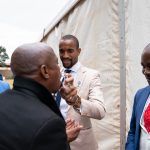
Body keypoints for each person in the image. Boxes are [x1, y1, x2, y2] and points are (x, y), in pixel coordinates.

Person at [0, 42, 80, 150]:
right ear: (45, 71)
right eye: (57, 64)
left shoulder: (3, 99)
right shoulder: (49, 125)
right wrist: (58, 139)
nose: (60, 71)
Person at [58, 34, 106, 150]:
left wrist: (76, 100)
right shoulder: (55, 73)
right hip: (56, 141)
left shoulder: (91, 75)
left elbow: (100, 111)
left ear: (79, 51)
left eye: (70, 51)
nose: (65, 55)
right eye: (61, 51)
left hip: (80, 144)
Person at [126, 43, 150, 150]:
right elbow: (133, 131)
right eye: (143, 66)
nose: (146, 72)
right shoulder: (140, 95)